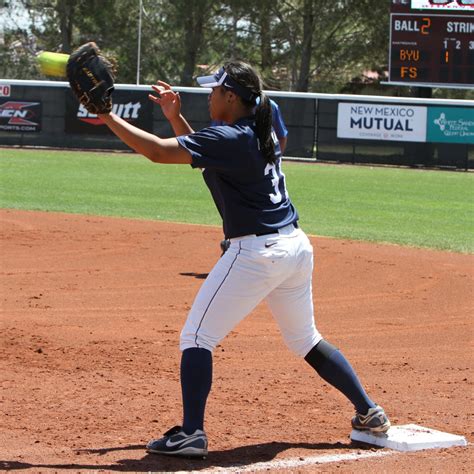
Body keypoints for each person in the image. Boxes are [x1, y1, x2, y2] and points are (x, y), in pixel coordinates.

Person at [97, 61, 390, 459]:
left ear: (231, 97)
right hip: (295, 247)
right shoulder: (260, 126)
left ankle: (191, 433)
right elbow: (204, 154)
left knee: (197, 338)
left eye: (215, 91)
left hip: (257, 252)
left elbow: (156, 152)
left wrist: (107, 114)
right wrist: (175, 117)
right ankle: (369, 412)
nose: (209, 96)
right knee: (306, 339)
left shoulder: (229, 137)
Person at [211, 97, 288, 256]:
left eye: (215, 91)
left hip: (251, 167)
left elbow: (281, 136)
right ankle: (232, 241)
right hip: (232, 165)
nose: (211, 97)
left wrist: (270, 160)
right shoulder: (266, 105)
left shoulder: (268, 105)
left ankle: (237, 243)